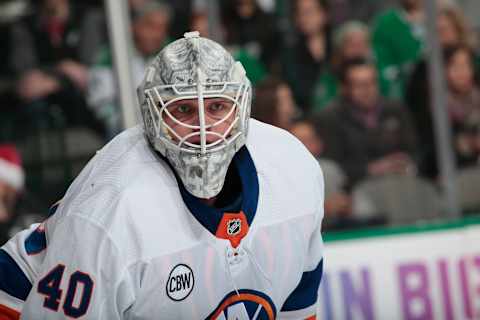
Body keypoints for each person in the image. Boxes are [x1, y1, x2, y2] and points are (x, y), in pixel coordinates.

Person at [0, 32, 325, 319]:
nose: (202, 129)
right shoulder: (115, 207)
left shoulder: (293, 169)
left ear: (241, 108)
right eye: (183, 109)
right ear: (153, 115)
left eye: (216, 107)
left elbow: (298, 306)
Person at [315, 58, 418, 188]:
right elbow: (332, 167)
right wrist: (371, 169)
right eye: (360, 85)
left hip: (400, 182)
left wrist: (406, 161)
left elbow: (414, 150)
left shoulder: (395, 110)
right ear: (344, 88)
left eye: (372, 83)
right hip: (355, 190)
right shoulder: (329, 118)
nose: (368, 90)